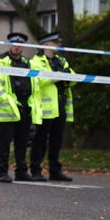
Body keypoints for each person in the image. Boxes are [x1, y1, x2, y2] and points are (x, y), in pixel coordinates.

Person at [0, 32, 42, 183]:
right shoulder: (0, 62)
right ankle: (2, 172)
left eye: (20, 45)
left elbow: (34, 84)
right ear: (9, 45)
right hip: (8, 109)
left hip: (25, 107)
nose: (17, 47)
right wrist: (7, 100)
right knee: (5, 142)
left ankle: (21, 171)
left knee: (22, 142)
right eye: (14, 44)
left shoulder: (27, 63)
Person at [29, 32, 76, 182]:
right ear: (46, 45)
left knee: (57, 140)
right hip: (45, 107)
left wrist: (64, 75)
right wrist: (58, 76)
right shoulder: (36, 62)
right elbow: (39, 80)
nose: (59, 44)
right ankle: (36, 170)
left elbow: (73, 77)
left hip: (60, 105)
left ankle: (55, 171)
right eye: (56, 42)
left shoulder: (61, 61)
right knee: (40, 140)